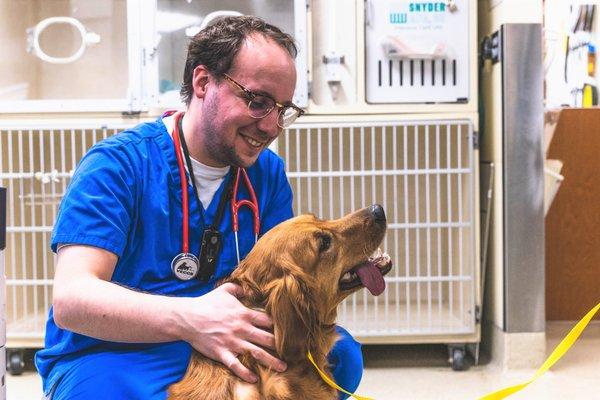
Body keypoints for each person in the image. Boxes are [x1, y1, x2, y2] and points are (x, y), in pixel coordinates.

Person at [35, 16, 363, 399]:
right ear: (203, 82)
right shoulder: (118, 165)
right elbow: (73, 300)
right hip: (116, 350)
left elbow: (285, 285)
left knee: (341, 357)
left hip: (230, 338)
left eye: (283, 109)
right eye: (258, 102)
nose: (272, 126)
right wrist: (190, 318)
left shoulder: (266, 174)